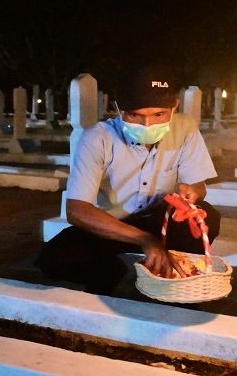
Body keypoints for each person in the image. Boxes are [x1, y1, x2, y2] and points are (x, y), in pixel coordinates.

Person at [34, 64, 221, 295]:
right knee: (55, 259)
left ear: (174, 106)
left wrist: (191, 191)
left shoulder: (185, 129)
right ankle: (112, 271)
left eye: (159, 115)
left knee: (207, 216)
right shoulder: (98, 138)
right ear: (118, 109)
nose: (147, 126)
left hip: (159, 218)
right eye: (135, 115)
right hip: (111, 225)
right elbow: (77, 210)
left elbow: (198, 186)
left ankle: (180, 280)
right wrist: (145, 239)